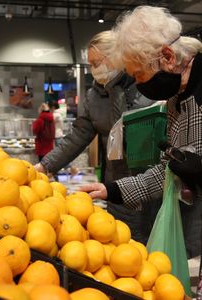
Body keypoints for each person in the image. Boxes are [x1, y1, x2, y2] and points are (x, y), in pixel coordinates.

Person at [81, 6, 202, 260]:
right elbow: (166, 171)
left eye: (139, 74)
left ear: (168, 57)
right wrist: (110, 190)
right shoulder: (176, 102)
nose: (138, 84)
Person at [35, 30, 152, 242]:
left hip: (149, 183)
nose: (93, 70)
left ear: (118, 57)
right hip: (113, 183)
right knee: (120, 242)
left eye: (97, 62)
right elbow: (78, 136)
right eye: (90, 64)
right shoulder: (94, 95)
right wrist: (45, 166)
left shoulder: (144, 86)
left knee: (149, 244)